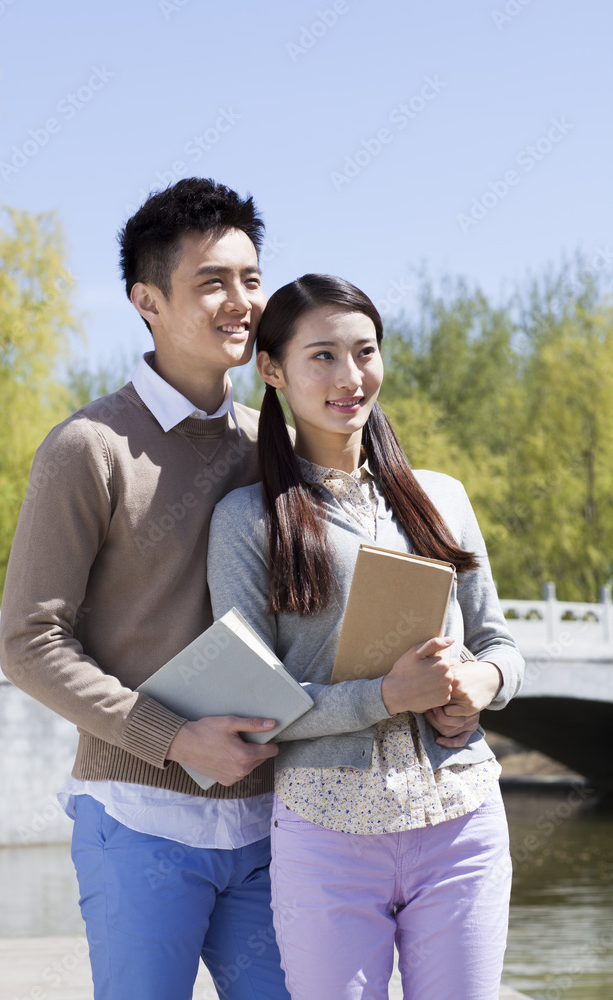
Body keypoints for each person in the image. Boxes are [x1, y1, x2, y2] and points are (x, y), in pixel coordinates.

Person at [0, 178, 291, 1000]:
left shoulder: (273, 448)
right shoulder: (88, 447)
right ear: (147, 301)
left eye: (250, 278)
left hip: (273, 821)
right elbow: (28, 642)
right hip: (137, 817)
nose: (241, 302)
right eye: (212, 282)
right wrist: (173, 737)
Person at [207, 274, 525, 1000]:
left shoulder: (439, 497)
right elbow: (257, 706)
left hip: (462, 823)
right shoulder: (246, 521)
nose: (350, 377)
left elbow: (498, 641)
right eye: (322, 356)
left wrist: (482, 683)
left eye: (365, 351)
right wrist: (386, 695)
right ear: (271, 370)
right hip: (326, 832)